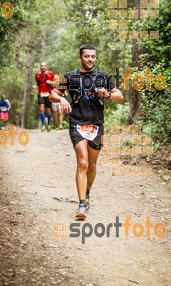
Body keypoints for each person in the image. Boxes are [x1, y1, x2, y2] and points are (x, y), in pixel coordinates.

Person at [49, 44, 124, 219]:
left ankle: (87, 192)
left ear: (95, 58)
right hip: (77, 122)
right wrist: (61, 98)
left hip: (96, 124)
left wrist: (107, 94)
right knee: (82, 163)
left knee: (92, 165)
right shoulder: (70, 76)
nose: (90, 59)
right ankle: (81, 205)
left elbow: (120, 96)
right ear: (80, 57)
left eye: (93, 56)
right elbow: (52, 93)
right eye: (86, 56)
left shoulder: (103, 77)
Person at [33, 61, 54, 132]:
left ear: (46, 66)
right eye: (42, 66)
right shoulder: (37, 74)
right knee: (42, 109)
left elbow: (56, 82)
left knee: (48, 110)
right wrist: (35, 85)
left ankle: (49, 124)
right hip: (41, 93)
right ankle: (43, 125)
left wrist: (50, 82)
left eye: (44, 66)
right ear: (40, 67)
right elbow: (36, 82)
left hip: (48, 94)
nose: (43, 67)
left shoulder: (50, 74)